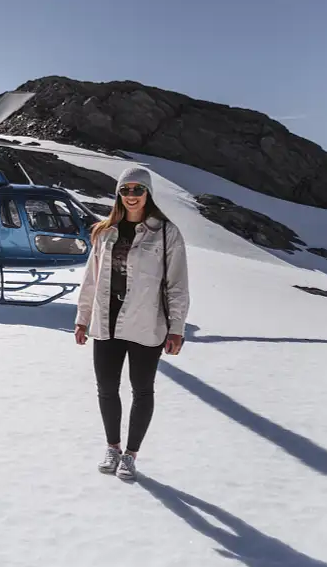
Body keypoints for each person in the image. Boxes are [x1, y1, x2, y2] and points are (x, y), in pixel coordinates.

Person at [74, 166, 189, 482]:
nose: (131, 196)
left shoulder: (166, 233)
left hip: (146, 323)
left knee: (142, 390)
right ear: (118, 194)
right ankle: (113, 447)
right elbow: (90, 280)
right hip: (106, 322)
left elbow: (177, 284)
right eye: (125, 190)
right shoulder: (105, 231)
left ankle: (131, 454)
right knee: (107, 388)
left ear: (148, 193)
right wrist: (83, 319)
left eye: (138, 189)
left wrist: (177, 327)